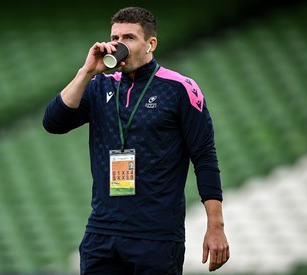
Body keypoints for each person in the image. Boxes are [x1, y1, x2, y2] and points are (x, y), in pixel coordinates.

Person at [43, 6, 229, 274]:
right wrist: (86, 71)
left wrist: (216, 226)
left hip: (156, 237)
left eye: (128, 38)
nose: (119, 45)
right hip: (102, 232)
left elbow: (205, 158)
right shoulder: (99, 86)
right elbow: (53, 123)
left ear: (150, 44)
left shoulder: (179, 88)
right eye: (115, 38)